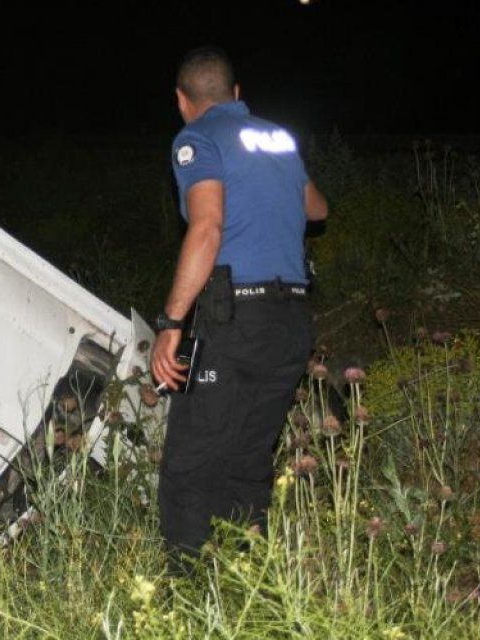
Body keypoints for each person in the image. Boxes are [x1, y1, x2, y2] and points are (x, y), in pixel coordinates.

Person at [150, 46, 329, 570]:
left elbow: (207, 227)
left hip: (237, 324)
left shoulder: (196, 138)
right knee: (249, 456)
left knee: (190, 461)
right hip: (291, 322)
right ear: (237, 95)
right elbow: (317, 208)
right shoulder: (276, 136)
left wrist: (172, 323)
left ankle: (183, 588)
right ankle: (248, 574)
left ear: (182, 101)